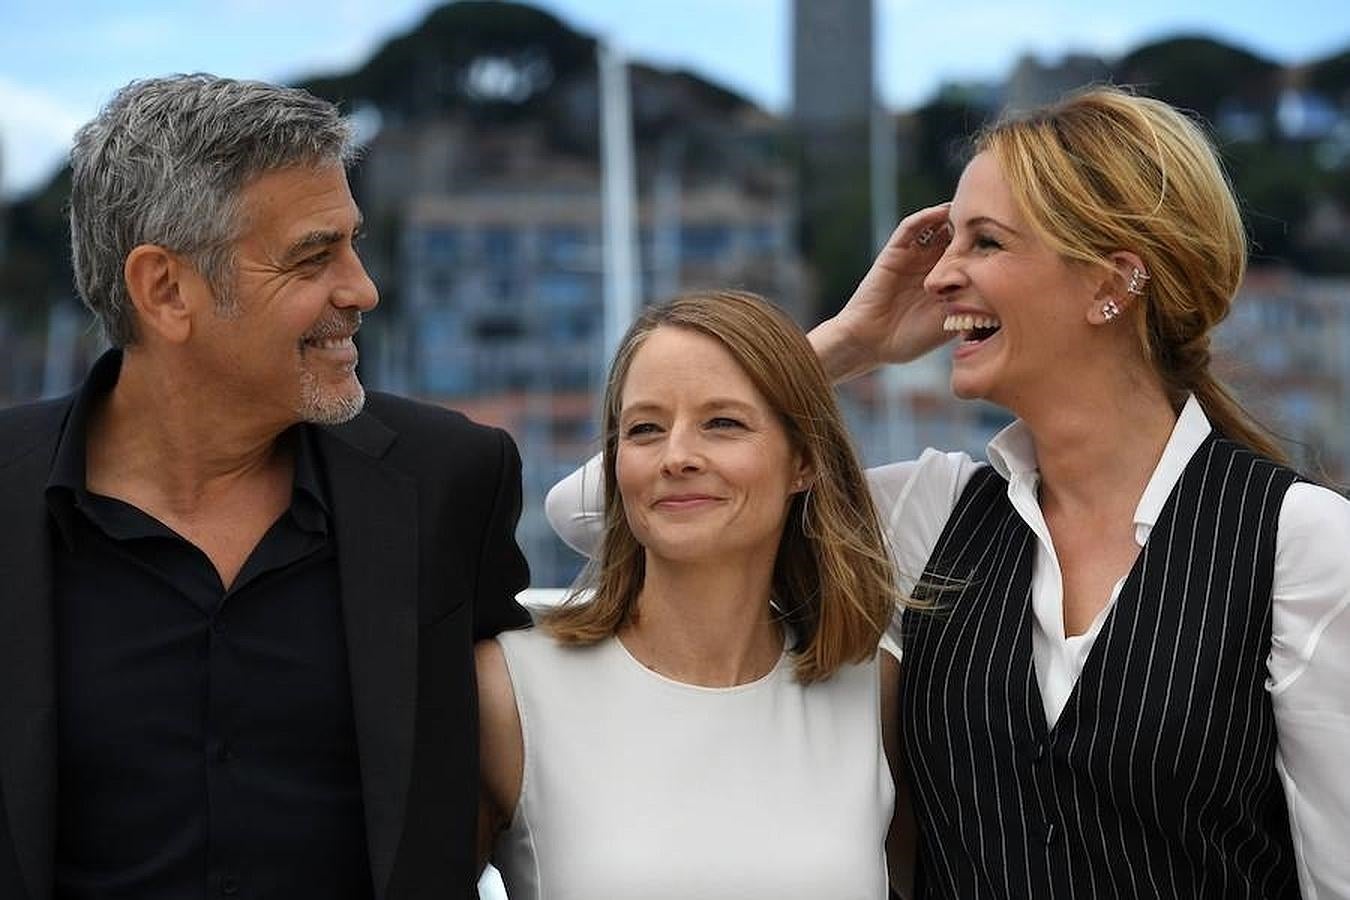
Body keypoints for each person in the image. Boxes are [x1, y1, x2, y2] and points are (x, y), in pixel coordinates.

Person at [550, 87, 1350, 898]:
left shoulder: (1301, 543)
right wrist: (845, 345)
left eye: (985, 243)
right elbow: (604, 512)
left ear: (1112, 280)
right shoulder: (929, 515)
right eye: (947, 242)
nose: (938, 276)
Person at [0, 74, 529, 899]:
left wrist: (776, 388)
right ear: (165, 289)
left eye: (353, 244)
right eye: (314, 256)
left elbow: (527, 760)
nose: (362, 289)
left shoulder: (449, 478)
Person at [478, 290, 915, 899]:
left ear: (805, 461)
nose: (677, 456)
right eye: (645, 429)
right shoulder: (508, 686)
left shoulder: (873, 690)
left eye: (723, 423)